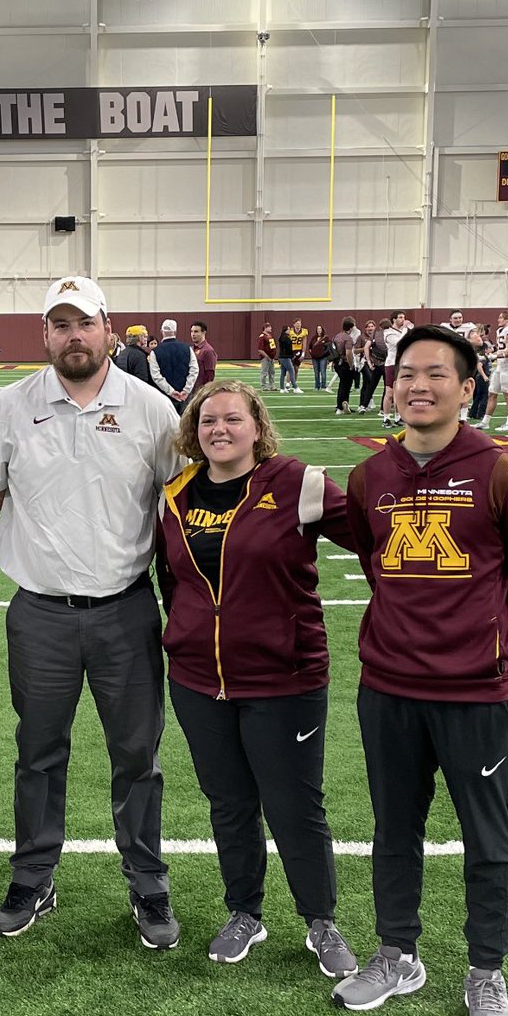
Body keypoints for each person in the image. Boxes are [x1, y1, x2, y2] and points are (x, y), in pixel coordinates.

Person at [332, 325, 508, 1016]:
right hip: (389, 687)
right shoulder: (371, 477)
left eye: (436, 374)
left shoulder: (501, 474)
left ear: (468, 387)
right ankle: (398, 954)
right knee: (394, 829)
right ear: (391, 386)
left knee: (488, 836)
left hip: (475, 694)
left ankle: (486, 970)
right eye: (406, 375)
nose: (416, 386)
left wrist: (491, 649)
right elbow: (376, 565)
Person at [0, 275, 182, 949]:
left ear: (107, 329)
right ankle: (33, 878)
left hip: (126, 610)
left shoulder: (151, 410)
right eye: (59, 325)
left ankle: (147, 883)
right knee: (38, 752)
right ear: (45, 335)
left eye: (83, 323)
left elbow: (177, 504)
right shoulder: (12, 406)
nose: (73, 335)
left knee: (137, 757)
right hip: (40, 613)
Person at [157, 380, 358, 979]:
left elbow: (378, 544)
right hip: (197, 678)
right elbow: (172, 579)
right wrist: (188, 633)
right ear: (194, 430)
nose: (220, 429)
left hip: (284, 677)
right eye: (208, 420)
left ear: (256, 425)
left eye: (233, 419)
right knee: (229, 803)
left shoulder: (299, 482)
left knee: (296, 803)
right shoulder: (175, 492)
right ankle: (245, 910)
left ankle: (320, 920)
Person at [478, 311, 508, 433]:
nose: (498, 320)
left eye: (500, 318)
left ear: (507, 319)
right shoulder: (500, 331)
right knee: (492, 393)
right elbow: (502, 348)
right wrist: (490, 353)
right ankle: (485, 422)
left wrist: (494, 356)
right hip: (500, 367)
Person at [150, 318, 199, 412]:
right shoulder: (187, 349)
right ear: (175, 332)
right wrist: (186, 390)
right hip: (184, 397)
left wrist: (171, 391)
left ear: (162, 331)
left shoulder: (155, 352)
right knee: (185, 423)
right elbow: (194, 370)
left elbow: (156, 376)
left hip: (164, 396)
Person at [381, 311, 413, 427]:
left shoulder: (403, 331)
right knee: (389, 392)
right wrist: (406, 329)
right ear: (393, 319)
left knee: (400, 392)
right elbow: (399, 343)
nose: (403, 320)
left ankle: (398, 417)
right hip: (392, 364)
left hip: (403, 364)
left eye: (404, 317)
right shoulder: (388, 332)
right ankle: (385, 418)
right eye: (400, 317)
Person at [331, 316, 359, 415]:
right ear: (351, 328)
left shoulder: (337, 336)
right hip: (344, 364)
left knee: (342, 385)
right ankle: (340, 407)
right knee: (345, 386)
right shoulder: (348, 338)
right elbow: (348, 353)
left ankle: (343, 405)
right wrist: (351, 365)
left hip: (337, 363)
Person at [190, 320, 218, 389]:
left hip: (201, 389)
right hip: (191, 388)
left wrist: (205, 390)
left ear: (204, 332)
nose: (193, 334)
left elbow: (210, 374)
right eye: (192, 331)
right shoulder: (191, 349)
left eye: (196, 331)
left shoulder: (208, 351)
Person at [308, 325, 331, 391]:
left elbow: (328, 348)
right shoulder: (314, 338)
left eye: (320, 328)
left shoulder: (325, 338)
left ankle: (323, 386)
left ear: (322, 329)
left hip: (323, 358)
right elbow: (310, 347)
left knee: (323, 372)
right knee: (316, 372)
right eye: (318, 329)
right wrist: (311, 353)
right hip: (315, 358)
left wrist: (324, 354)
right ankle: (317, 386)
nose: (319, 330)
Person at [277, 324, 298, 394]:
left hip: (281, 357)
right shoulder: (286, 338)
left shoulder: (281, 337)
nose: (290, 330)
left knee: (283, 373)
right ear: (286, 330)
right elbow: (289, 349)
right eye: (289, 329)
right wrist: (293, 355)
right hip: (286, 357)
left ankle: (282, 388)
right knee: (292, 371)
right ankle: (295, 387)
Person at [256, 322, 277, 391]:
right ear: (265, 328)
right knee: (264, 372)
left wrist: (272, 357)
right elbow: (260, 349)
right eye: (269, 327)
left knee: (272, 372)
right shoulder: (262, 337)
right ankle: (263, 386)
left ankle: (272, 385)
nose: (271, 328)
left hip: (271, 357)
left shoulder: (269, 335)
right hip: (266, 357)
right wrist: (266, 356)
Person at [290, 318, 309, 388]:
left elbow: (304, 342)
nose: (299, 325)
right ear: (294, 324)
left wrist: (303, 353)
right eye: (297, 323)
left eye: (300, 323)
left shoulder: (304, 331)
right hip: (291, 351)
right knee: (290, 368)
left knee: (296, 368)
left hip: (299, 350)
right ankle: (288, 384)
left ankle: (294, 383)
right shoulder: (290, 331)